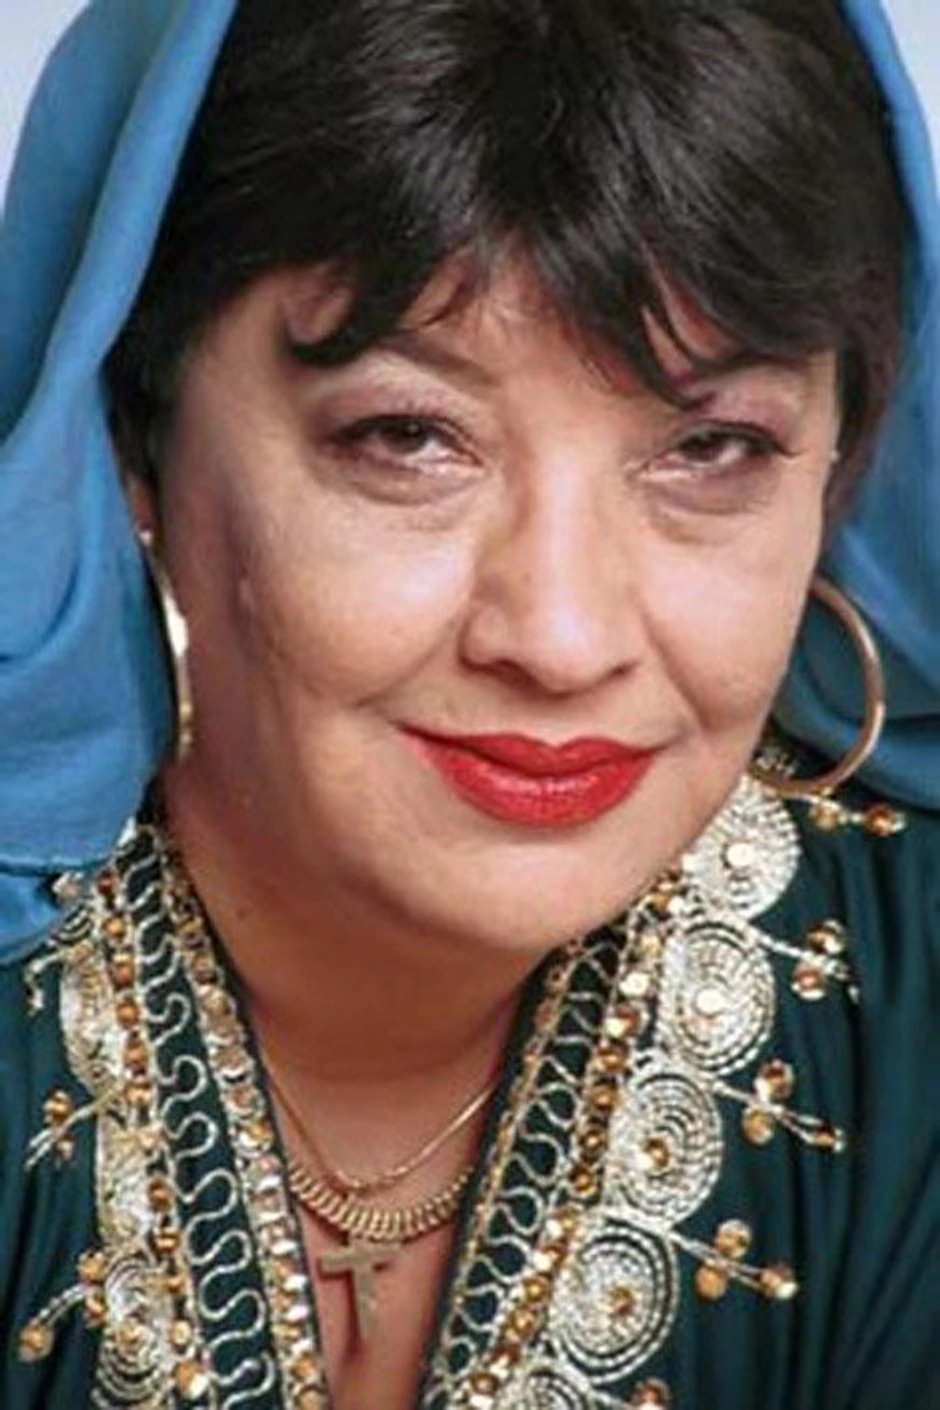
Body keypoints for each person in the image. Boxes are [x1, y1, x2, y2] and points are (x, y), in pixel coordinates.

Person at [0, 1, 937, 1407]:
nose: (560, 637)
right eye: (409, 438)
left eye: (712, 448)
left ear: (840, 466)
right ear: (135, 438)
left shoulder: (908, 1015)